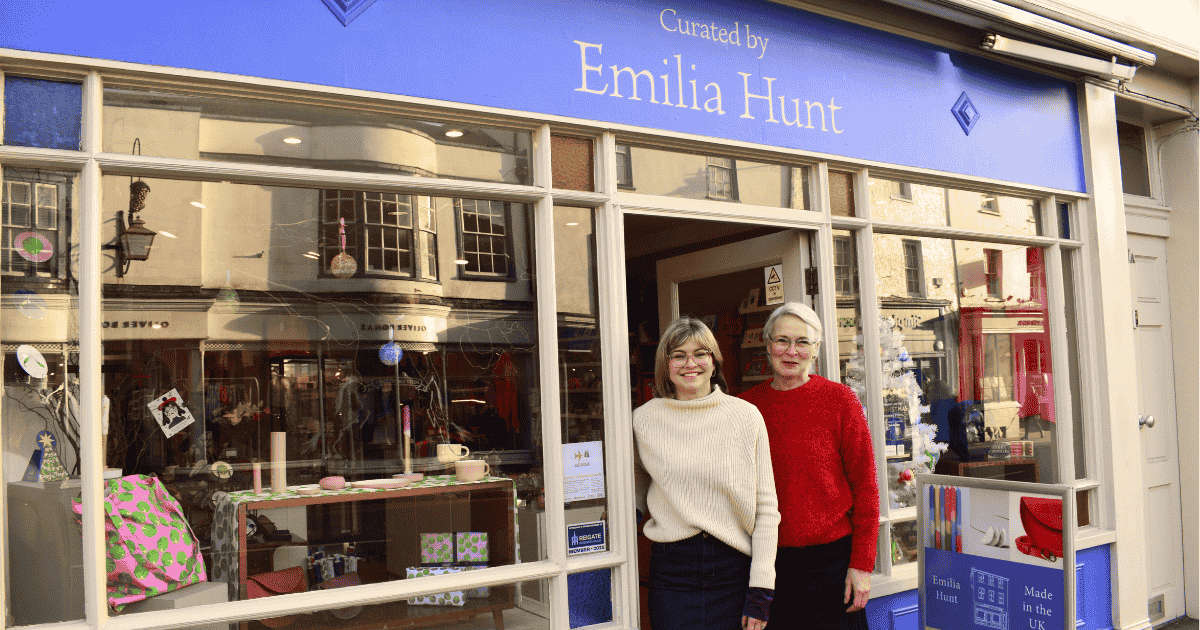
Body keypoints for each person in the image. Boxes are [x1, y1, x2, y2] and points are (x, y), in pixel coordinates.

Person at [739, 302, 879, 629]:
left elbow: (867, 487)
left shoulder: (841, 401)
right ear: (767, 344)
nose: (792, 351)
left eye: (803, 342)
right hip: (766, 565)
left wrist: (861, 565)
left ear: (816, 350)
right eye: (782, 341)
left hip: (832, 565)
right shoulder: (745, 408)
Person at [634, 317, 779, 630]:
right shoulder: (643, 421)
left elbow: (766, 507)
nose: (691, 363)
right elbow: (633, 482)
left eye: (701, 353)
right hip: (671, 571)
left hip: (733, 571)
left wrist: (761, 589)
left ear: (714, 363)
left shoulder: (745, 417)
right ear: (666, 364)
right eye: (678, 355)